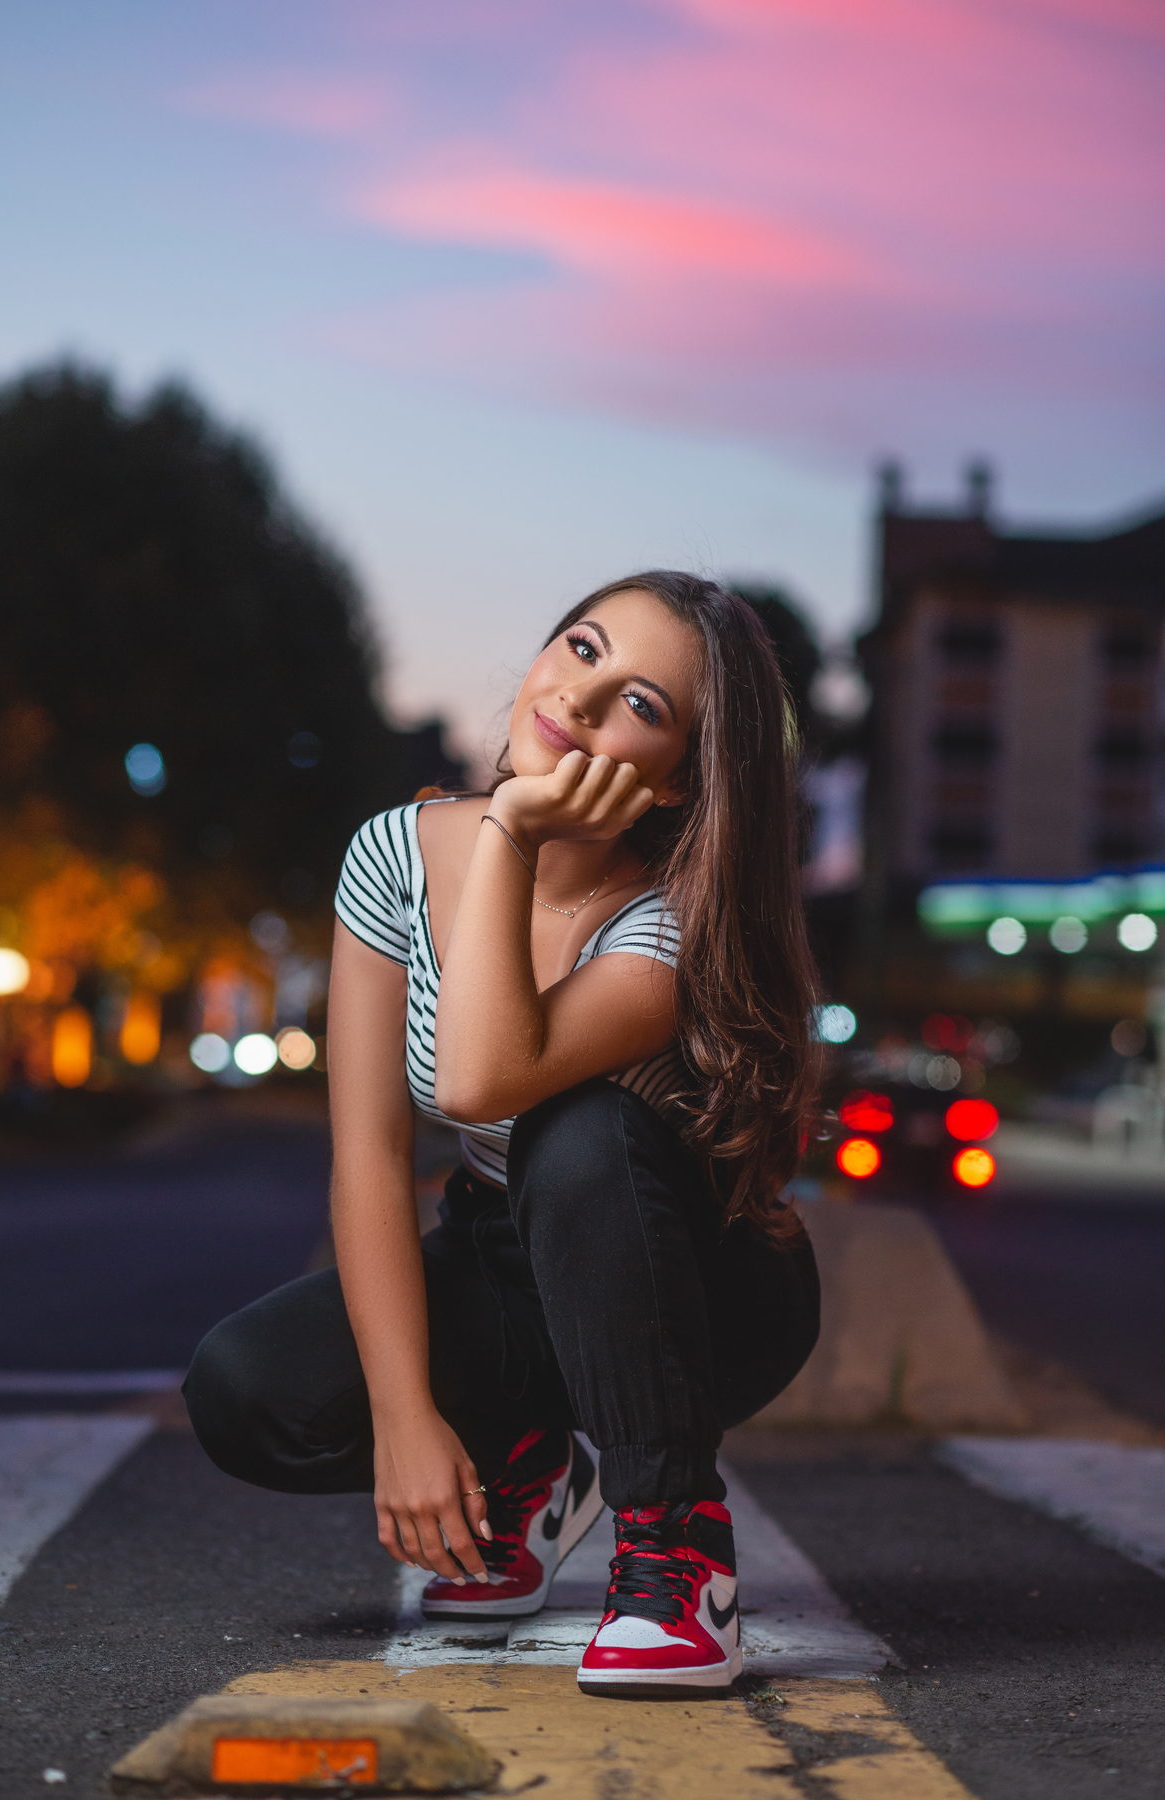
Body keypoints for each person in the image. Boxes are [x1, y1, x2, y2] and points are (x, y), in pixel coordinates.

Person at [184, 571, 822, 1695]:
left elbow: (483, 1082)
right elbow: (372, 1159)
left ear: (677, 785)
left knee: (574, 1127)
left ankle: (678, 1548)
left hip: (702, 1291)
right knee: (245, 1390)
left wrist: (514, 836)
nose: (578, 698)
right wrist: (410, 1420)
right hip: (507, 1262)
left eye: (640, 704)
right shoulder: (391, 857)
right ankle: (524, 1461)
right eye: (580, 648)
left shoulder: (670, 922)